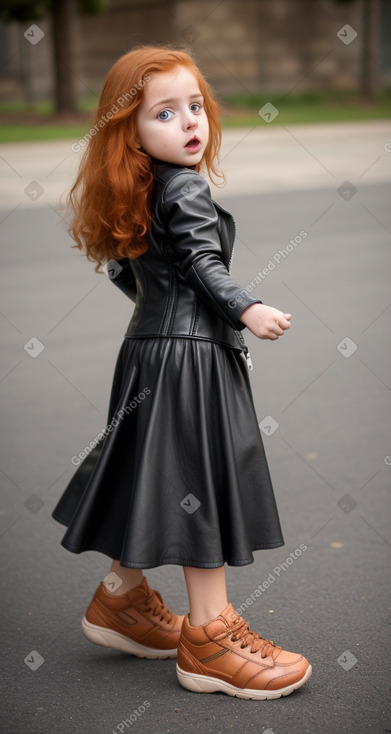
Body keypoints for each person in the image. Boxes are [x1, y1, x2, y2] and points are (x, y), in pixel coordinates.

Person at [52, 44, 312, 700]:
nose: (190, 121)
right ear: (128, 132)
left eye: (194, 105)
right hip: (192, 355)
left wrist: (162, 314)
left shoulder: (143, 188)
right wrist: (244, 307)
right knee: (199, 481)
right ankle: (209, 638)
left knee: (149, 469)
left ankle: (122, 597)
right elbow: (202, 263)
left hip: (146, 350)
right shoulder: (186, 187)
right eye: (165, 113)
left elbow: (125, 270)